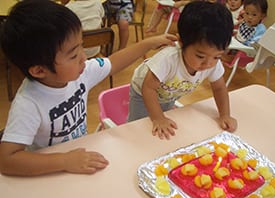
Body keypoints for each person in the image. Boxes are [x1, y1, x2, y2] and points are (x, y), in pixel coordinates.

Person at [0, 0, 176, 176]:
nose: (84, 58)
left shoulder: (80, 72)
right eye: (74, 55)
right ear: (39, 70)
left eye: (82, 46)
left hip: (80, 153)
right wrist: (64, 161)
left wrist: (148, 43)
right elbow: (7, 160)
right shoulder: (29, 104)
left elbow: (114, 62)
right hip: (49, 171)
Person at [128, 1, 237, 140]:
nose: (208, 63)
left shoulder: (211, 62)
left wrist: (225, 115)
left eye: (217, 56)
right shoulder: (168, 59)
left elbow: (220, 88)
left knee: (163, 122)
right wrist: (158, 118)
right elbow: (148, 88)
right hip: (143, 92)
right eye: (200, 56)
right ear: (181, 42)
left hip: (169, 92)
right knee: (139, 129)